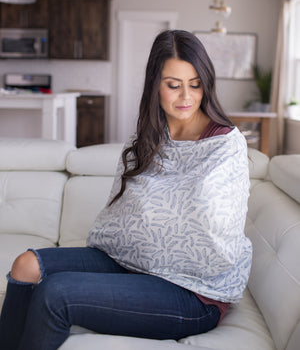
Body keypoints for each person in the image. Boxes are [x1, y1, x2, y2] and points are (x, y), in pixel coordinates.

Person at [0, 30, 252, 350]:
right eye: (173, 85)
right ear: (154, 86)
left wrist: (155, 214)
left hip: (193, 292)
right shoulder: (146, 138)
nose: (186, 97)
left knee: (55, 293)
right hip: (131, 261)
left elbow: (215, 233)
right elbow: (126, 215)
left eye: (195, 84)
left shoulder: (225, 145)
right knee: (25, 265)